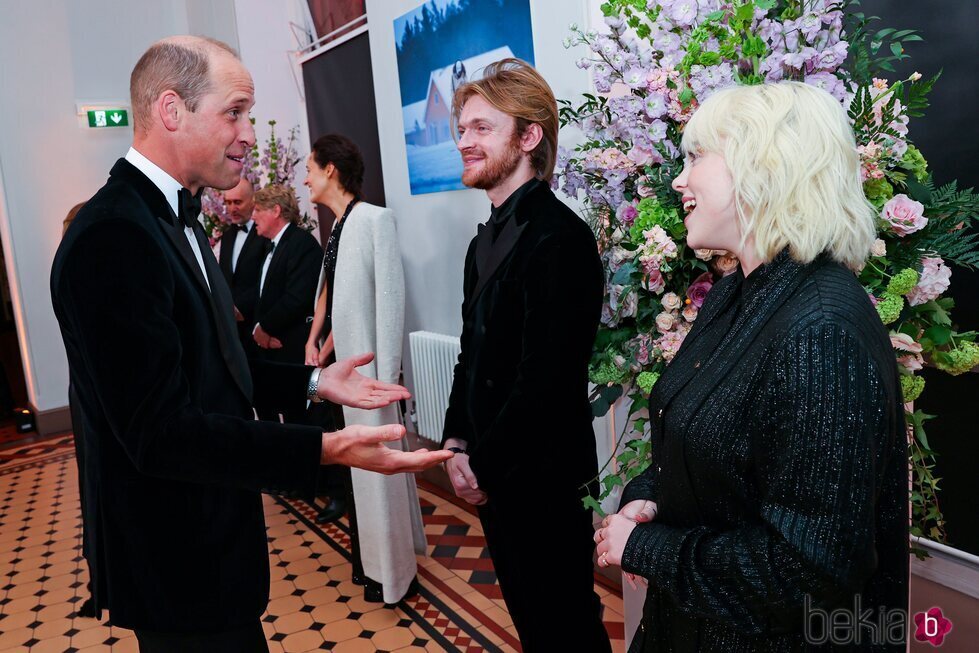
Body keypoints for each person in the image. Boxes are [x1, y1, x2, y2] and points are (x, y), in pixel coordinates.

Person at [49, 35, 452, 653]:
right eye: (234, 112)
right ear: (171, 111)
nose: (247, 134)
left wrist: (315, 381)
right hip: (174, 557)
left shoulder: (172, 215)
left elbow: (218, 365)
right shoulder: (113, 237)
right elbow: (161, 433)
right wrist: (327, 448)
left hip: (213, 542)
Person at [594, 81, 908, 651]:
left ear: (765, 165)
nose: (679, 180)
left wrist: (645, 549)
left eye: (696, 158)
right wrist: (649, 497)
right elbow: (703, 445)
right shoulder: (736, 292)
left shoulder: (822, 328)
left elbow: (808, 576)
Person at [442, 59, 612, 652]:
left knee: (565, 624)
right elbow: (473, 352)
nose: (464, 141)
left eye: (482, 128)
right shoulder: (481, 241)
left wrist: (480, 466)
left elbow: (547, 382)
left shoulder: (560, 238)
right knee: (533, 623)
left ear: (529, 136)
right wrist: (456, 443)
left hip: (543, 475)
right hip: (495, 469)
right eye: (461, 129)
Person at [304, 133, 426, 604]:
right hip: (347, 375)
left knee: (379, 479)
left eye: (310, 169)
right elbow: (343, 304)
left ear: (331, 168)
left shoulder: (376, 219)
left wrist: (386, 379)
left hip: (370, 379)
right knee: (366, 478)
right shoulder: (338, 226)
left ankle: (392, 578)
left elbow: (390, 304)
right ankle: (377, 565)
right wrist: (323, 345)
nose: (306, 179)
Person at [250, 184, 321, 422]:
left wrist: (264, 328)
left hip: (293, 349)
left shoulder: (302, 243)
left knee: (300, 417)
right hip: (273, 348)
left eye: (258, 209)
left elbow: (297, 298)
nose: (253, 216)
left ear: (276, 211)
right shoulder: (271, 245)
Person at [217, 176, 269, 350]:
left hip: (259, 325)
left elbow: (268, 278)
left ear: (253, 201)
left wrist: (240, 309)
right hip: (231, 331)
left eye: (237, 202)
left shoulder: (266, 234)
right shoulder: (227, 236)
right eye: (228, 203)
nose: (232, 208)